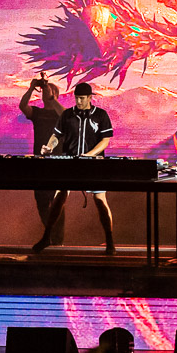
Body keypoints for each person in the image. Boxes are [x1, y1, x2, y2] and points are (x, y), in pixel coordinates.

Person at [32, 82, 116, 255]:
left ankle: (110, 242)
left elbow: (105, 140)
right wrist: (48, 147)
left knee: (100, 201)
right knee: (58, 198)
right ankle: (47, 236)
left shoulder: (100, 115)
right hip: (70, 163)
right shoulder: (67, 115)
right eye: (77, 98)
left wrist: (89, 155)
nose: (79, 101)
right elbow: (56, 135)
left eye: (82, 98)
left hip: (94, 164)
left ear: (90, 98)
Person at [18, 72, 65, 247]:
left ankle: (57, 239)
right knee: (42, 201)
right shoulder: (37, 113)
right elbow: (23, 106)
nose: (46, 91)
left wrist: (52, 99)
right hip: (40, 161)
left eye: (50, 90)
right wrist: (31, 88)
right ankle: (50, 234)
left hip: (59, 161)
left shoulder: (60, 113)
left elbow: (66, 116)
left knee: (58, 201)